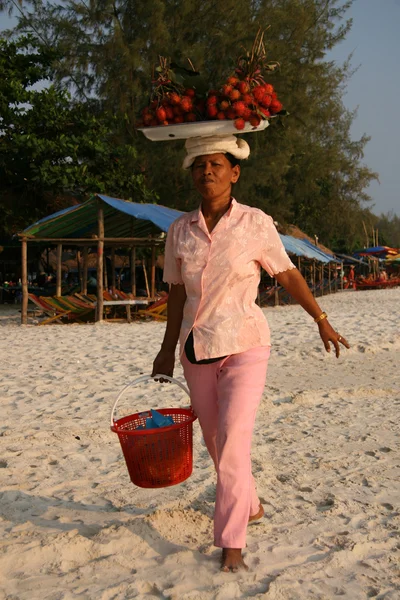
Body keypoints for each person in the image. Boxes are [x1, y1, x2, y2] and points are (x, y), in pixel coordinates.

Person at [152, 134, 350, 573]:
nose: (207, 172)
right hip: (195, 347)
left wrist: (320, 319)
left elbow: (288, 273)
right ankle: (251, 505)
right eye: (199, 166)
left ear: (234, 172)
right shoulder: (179, 231)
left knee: (234, 443)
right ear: (192, 175)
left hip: (245, 344)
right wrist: (166, 350)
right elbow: (176, 294)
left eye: (216, 165)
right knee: (216, 443)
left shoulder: (255, 223)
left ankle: (232, 544)